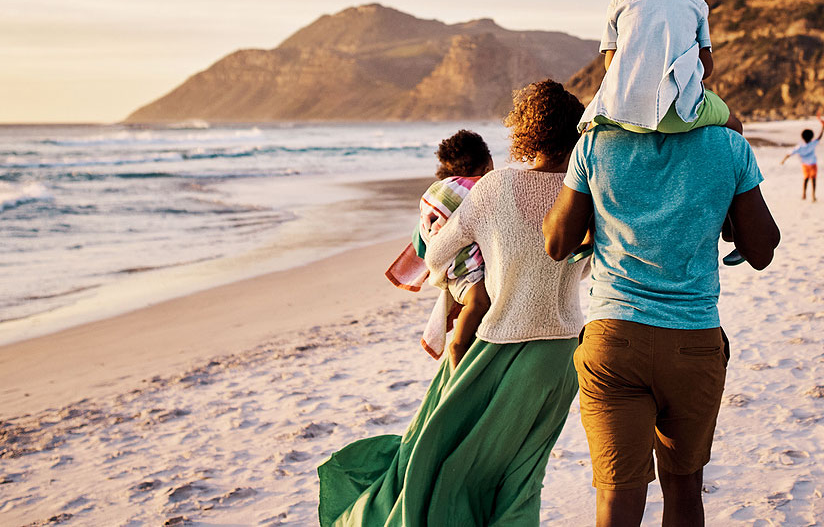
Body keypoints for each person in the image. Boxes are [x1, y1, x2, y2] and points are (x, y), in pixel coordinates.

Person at [318, 80, 590, 527]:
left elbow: (437, 254)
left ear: (524, 133)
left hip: (498, 346)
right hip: (560, 356)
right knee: (523, 477)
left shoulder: (493, 188)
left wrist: (469, 284)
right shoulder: (585, 192)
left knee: (445, 461)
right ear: (574, 132)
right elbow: (580, 265)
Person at [543, 123, 780, 527]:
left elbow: (556, 244)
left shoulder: (595, 143)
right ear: (700, 59)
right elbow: (761, 250)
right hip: (693, 340)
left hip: (613, 340)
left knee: (618, 492)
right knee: (684, 486)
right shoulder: (729, 145)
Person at [581, 0, 747, 267]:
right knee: (735, 126)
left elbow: (611, 64)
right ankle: (734, 227)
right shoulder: (695, 3)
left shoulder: (619, 2)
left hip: (623, 113)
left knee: (583, 141)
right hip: (680, 113)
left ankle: (585, 230)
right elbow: (706, 65)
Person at [384, 129, 493, 361]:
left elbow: (420, 238)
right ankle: (458, 346)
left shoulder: (438, 192)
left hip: (448, 270)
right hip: (466, 270)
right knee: (479, 301)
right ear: (488, 164)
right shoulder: (480, 189)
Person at [781, 116, 824, 202]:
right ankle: (813, 196)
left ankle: (804, 194)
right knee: (813, 180)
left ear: (802, 137)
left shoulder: (799, 147)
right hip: (813, 164)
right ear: (811, 137)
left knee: (806, 179)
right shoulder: (812, 144)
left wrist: (783, 160)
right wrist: (823, 128)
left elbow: (789, 154)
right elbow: (819, 137)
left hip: (805, 165)